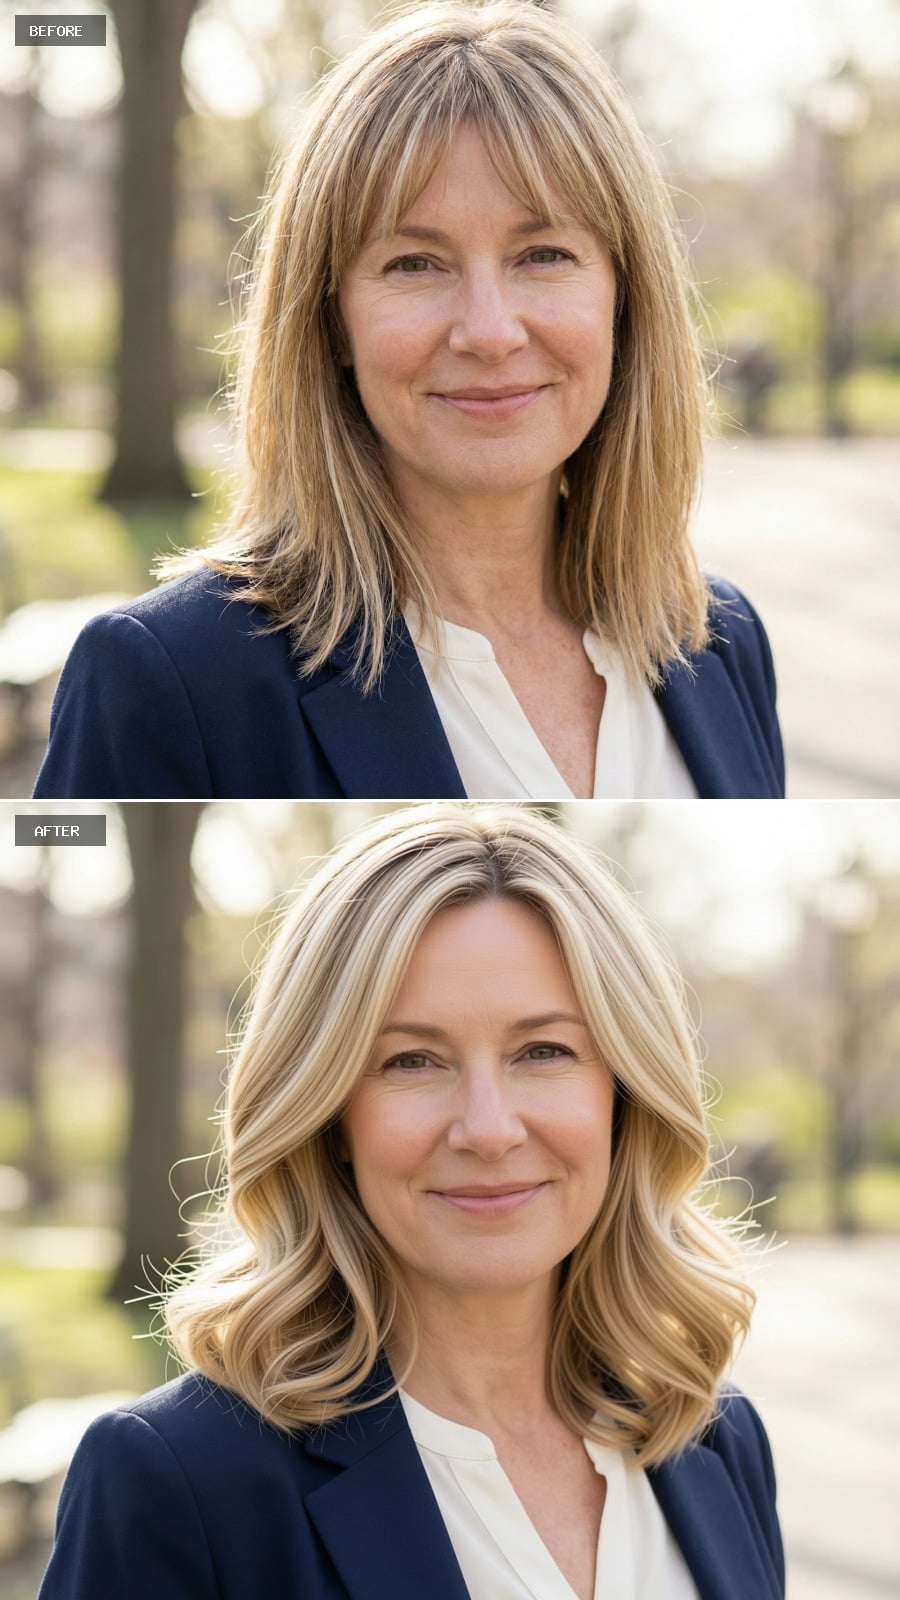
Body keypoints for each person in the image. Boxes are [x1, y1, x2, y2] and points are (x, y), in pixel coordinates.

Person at [34, 1, 783, 801]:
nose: (490, 332)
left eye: (544, 254)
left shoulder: (721, 640)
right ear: (330, 318)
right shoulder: (168, 677)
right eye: (415, 264)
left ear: (625, 299)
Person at [40, 805, 785, 1600]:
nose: (489, 1130)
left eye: (544, 1051)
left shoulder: (717, 1437)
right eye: (412, 1061)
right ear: (328, 1117)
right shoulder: (179, 1480)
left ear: (624, 1095)